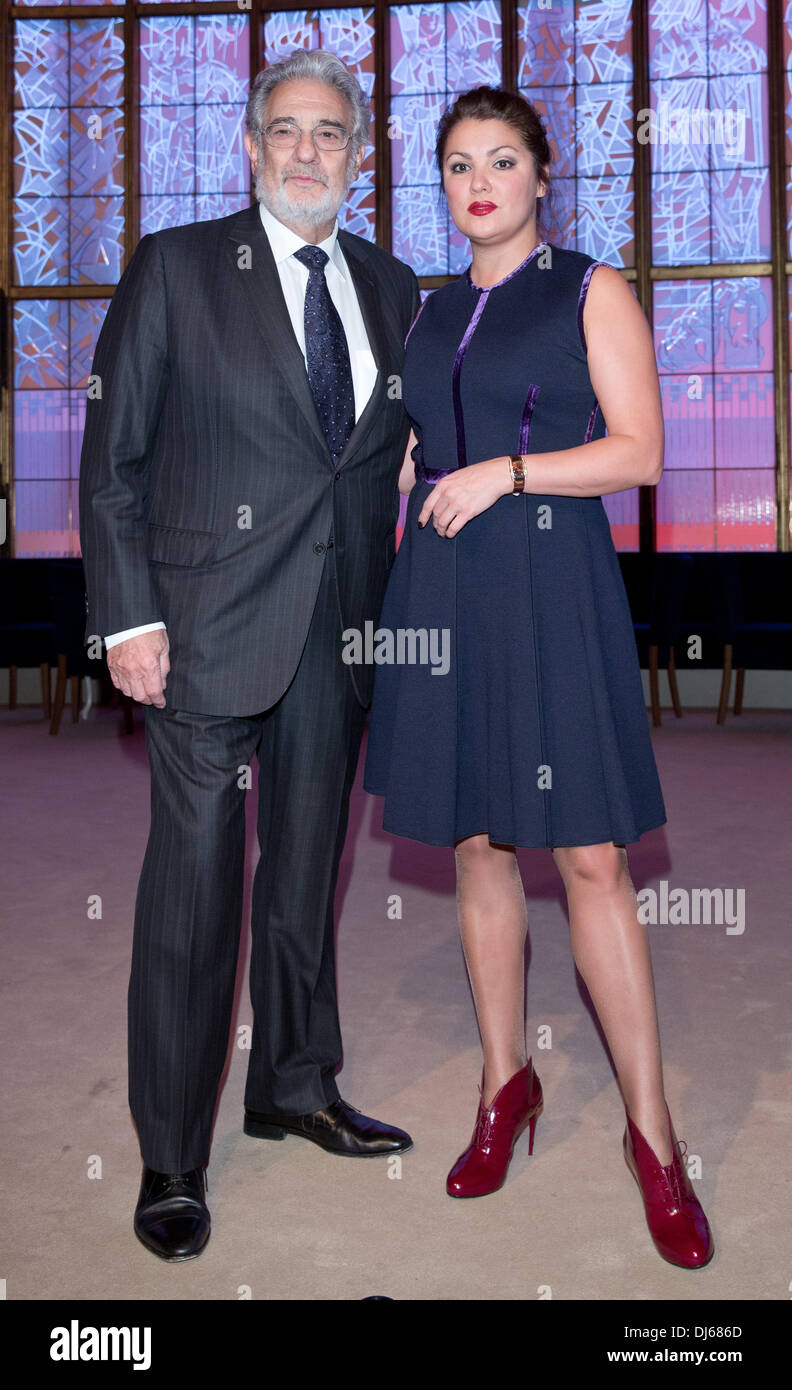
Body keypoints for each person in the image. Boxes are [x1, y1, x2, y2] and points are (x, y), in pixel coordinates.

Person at [363, 86, 713, 1269]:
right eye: (459, 163)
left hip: (554, 583)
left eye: (501, 160)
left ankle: (653, 1137)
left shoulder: (590, 287)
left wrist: (505, 473)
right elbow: (422, 432)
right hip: (447, 591)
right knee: (475, 840)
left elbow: (642, 450)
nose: (479, 182)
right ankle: (504, 1086)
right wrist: (415, 457)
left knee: (593, 856)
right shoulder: (427, 307)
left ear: (542, 175)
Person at [79, 49, 418, 1262]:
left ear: (361, 154)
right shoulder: (176, 267)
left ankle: (293, 1081)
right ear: (250, 145)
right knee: (194, 890)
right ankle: (173, 1152)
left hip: (340, 631)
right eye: (286, 130)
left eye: (332, 134)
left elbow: (383, 456)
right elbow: (113, 458)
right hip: (203, 634)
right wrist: (128, 620)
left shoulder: (391, 283)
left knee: (308, 871)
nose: (307, 153)